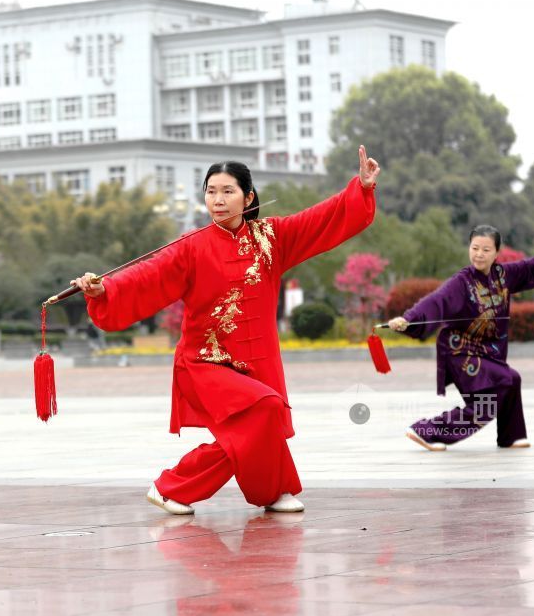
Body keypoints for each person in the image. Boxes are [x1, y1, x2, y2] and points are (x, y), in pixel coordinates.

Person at [72, 147, 380, 514]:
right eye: (211, 191)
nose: (218, 200)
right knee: (264, 408)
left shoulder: (272, 238)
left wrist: (359, 187)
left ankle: (273, 490)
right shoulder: (190, 247)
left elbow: (321, 219)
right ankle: (171, 485)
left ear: (248, 197)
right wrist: (105, 289)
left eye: (227, 191)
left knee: (259, 421)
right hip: (206, 363)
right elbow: (147, 275)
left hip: (257, 360)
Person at [388, 217, 534, 451]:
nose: (479, 254)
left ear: (496, 253)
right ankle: (428, 431)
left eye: (485, 250)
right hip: (460, 351)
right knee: (497, 387)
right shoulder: (461, 282)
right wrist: (409, 319)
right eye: (474, 248)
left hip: (488, 353)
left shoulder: (505, 275)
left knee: (510, 380)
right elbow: (436, 301)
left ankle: (511, 436)